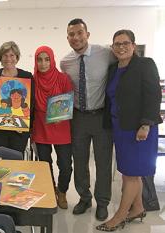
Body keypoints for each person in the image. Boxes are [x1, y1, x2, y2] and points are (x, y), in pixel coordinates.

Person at [96, 30, 162, 231]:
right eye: (117, 44)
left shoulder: (145, 65)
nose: (121, 47)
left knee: (132, 174)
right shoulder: (114, 68)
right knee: (129, 173)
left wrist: (145, 124)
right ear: (113, 47)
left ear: (133, 45)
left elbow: (153, 95)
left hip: (139, 130)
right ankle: (138, 208)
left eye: (125, 43)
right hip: (120, 128)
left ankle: (119, 216)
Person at [60, 18, 115, 221]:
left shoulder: (106, 54)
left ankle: (102, 202)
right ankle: (84, 198)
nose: (75, 37)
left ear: (87, 34)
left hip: (101, 117)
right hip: (78, 118)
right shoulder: (65, 62)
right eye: (71, 34)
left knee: (103, 163)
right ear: (67, 38)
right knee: (80, 161)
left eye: (79, 33)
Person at [32, 45, 73, 209]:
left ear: (52, 60)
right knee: (44, 164)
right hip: (40, 128)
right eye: (39, 60)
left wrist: (62, 114)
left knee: (65, 166)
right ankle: (51, 189)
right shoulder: (33, 80)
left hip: (61, 128)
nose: (43, 63)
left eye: (46, 59)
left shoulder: (63, 78)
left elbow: (69, 100)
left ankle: (62, 191)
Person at [0, 41, 33, 153]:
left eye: (12, 55)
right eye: (5, 55)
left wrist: (26, 125)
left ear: (17, 58)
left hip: (18, 130)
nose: (8, 59)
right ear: (0, 58)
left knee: (16, 162)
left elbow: (31, 103)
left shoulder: (26, 76)